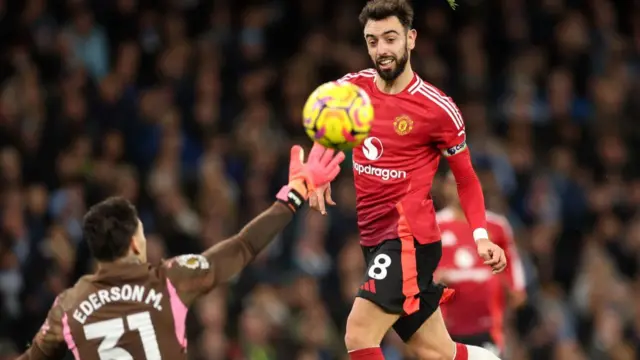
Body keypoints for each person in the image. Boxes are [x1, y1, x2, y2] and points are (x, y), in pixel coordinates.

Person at [309, 0, 508, 359]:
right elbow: (324, 124)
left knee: (358, 332)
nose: (381, 50)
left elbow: (466, 179)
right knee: (434, 351)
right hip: (374, 240)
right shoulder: (352, 89)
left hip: (409, 239)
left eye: (390, 38)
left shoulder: (437, 108)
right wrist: (320, 165)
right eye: (372, 41)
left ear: (410, 39)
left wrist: (480, 236)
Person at [17, 143, 345, 360]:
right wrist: (295, 194)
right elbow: (244, 245)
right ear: (134, 243)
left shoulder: (68, 305)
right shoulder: (170, 279)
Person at [436, 171, 527, 357]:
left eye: (465, 183)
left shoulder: (497, 226)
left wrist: (507, 288)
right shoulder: (433, 225)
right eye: (453, 183)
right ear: (445, 188)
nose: (458, 189)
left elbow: (515, 284)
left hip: (487, 326)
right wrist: (436, 281)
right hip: (443, 327)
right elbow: (419, 275)